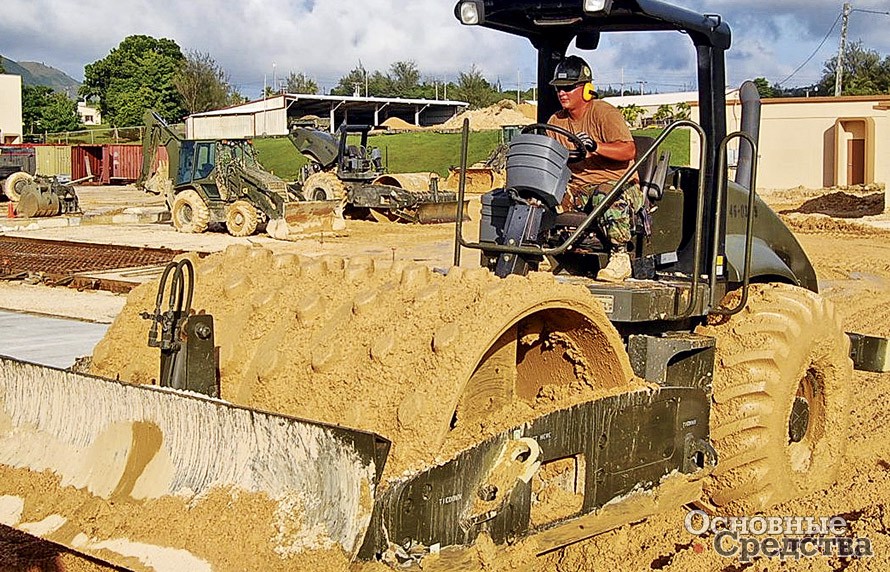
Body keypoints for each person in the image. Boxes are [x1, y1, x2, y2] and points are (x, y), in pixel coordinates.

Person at [546, 55, 643, 282]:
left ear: (586, 89)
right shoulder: (555, 121)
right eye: (559, 88)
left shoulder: (604, 113)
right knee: (537, 196)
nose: (562, 93)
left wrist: (596, 146)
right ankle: (538, 253)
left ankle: (620, 258)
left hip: (620, 187)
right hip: (579, 188)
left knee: (604, 194)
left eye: (569, 87)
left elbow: (629, 151)